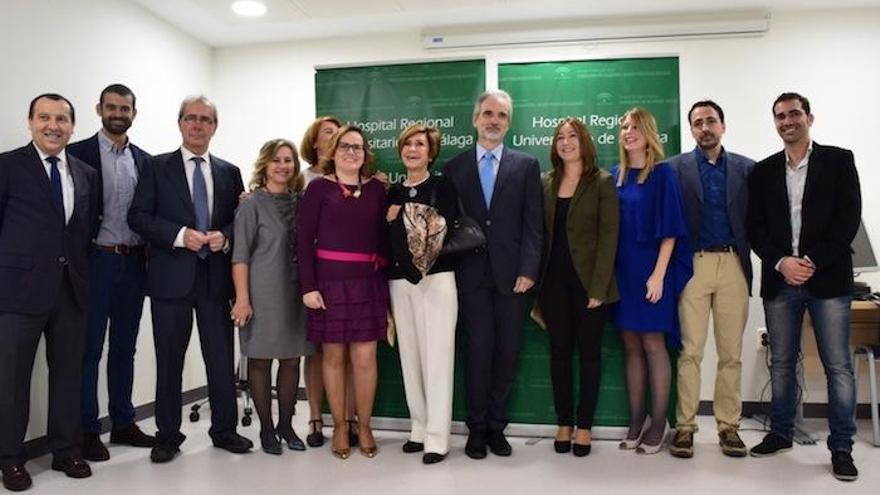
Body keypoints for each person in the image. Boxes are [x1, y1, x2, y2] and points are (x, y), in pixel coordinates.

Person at [128, 95, 250, 463]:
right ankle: (167, 435)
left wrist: (224, 235)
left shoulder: (229, 171)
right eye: (191, 118)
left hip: (215, 279)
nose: (198, 125)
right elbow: (138, 217)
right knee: (169, 360)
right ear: (180, 123)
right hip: (170, 278)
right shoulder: (155, 167)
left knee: (219, 357)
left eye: (206, 120)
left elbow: (237, 220)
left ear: (215, 127)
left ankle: (225, 430)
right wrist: (181, 234)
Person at [747, 92, 861, 482]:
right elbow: (754, 228)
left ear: (809, 117)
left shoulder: (838, 160)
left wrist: (810, 262)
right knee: (781, 362)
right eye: (779, 116)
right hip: (780, 281)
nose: (787, 121)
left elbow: (848, 220)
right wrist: (782, 262)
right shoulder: (762, 171)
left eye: (794, 113)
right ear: (775, 122)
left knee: (838, 366)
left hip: (827, 279)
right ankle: (780, 433)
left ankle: (842, 447)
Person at [0, 94, 98, 491]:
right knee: (11, 379)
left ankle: (65, 449)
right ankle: (9, 458)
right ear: (30, 122)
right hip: (17, 291)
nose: (53, 125)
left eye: (61, 119)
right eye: (44, 117)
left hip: (70, 290)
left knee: (68, 375)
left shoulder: (86, 172)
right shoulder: (7, 166)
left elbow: (84, 230)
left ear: (73, 126)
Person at [442, 89, 543, 459]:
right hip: (470, 277)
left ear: (509, 122)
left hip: (513, 278)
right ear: (475, 119)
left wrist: (529, 270)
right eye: (487, 113)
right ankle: (476, 429)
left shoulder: (526, 165)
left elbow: (534, 226)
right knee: (477, 353)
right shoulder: (454, 168)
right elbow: (447, 227)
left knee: (506, 354)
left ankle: (498, 427)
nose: (494, 121)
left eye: (501, 115)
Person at [67, 84, 155, 462]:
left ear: (134, 113)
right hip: (95, 262)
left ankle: (123, 422)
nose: (119, 112)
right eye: (112, 106)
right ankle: (88, 429)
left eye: (126, 107)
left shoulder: (145, 161)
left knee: (125, 346)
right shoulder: (77, 155)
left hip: (134, 263)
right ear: (99, 109)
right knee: (89, 349)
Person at [667, 100, 754, 459]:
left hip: (734, 264)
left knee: (731, 354)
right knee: (690, 351)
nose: (705, 127)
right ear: (691, 130)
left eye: (711, 121)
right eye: (698, 122)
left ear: (723, 125)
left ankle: (728, 427)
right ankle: (685, 427)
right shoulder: (673, 168)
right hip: (693, 265)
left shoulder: (748, 169)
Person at [296, 125, 389, 460]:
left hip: (368, 282)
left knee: (365, 358)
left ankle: (362, 425)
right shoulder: (318, 189)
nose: (352, 152)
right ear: (333, 151)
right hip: (328, 283)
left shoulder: (378, 189)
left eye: (358, 148)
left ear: (365, 154)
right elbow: (303, 241)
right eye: (346, 146)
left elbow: (384, 238)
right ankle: (338, 426)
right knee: (333, 358)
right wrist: (308, 286)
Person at [610, 106, 692, 455]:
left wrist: (658, 276)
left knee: (654, 345)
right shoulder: (614, 175)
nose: (628, 132)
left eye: (635, 127)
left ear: (649, 132)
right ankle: (636, 419)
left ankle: (659, 424)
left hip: (651, 272)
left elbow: (671, 231)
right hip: (622, 273)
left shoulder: (662, 175)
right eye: (624, 126)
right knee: (630, 345)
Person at [535, 118, 619, 457]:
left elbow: (609, 237)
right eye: (560, 137)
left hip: (590, 285)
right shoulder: (546, 182)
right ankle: (564, 423)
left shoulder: (601, 182)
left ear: (584, 142)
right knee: (558, 356)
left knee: (589, 356)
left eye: (572, 136)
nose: (566, 142)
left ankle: (584, 427)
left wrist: (598, 287)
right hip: (553, 284)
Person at [231, 139, 315, 455]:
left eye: (289, 160)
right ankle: (266, 428)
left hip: (296, 291)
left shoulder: (301, 201)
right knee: (261, 360)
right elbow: (239, 255)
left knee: (292, 359)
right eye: (277, 160)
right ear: (265, 164)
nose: (283, 166)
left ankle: (286, 425)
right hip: (262, 292)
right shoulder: (251, 204)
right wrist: (242, 299)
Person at [387, 124, 460, 465]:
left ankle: (437, 437)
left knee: (437, 357)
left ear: (431, 153)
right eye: (408, 144)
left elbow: (442, 228)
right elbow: (388, 239)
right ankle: (418, 426)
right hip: (399, 282)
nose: (413, 149)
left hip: (437, 280)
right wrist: (397, 219)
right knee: (410, 356)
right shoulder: (391, 191)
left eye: (420, 144)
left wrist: (401, 216)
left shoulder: (442, 185)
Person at [299, 116, 360, 449]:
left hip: (345, 280)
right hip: (312, 275)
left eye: (345, 138)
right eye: (330, 135)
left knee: (347, 352)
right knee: (318, 352)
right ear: (317, 142)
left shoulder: (360, 181)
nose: (339, 141)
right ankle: (314, 416)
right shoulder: (305, 180)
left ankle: (348, 418)